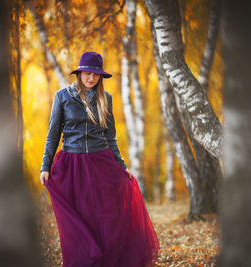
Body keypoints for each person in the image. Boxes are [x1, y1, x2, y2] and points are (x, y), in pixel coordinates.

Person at [39, 51, 160, 267]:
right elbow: (53, 134)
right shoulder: (62, 96)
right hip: (72, 165)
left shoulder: (106, 99)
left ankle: (108, 261)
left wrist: (121, 166)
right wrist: (45, 166)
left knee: (106, 217)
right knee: (79, 220)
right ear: (80, 73)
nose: (91, 78)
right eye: (87, 73)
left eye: (96, 75)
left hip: (100, 163)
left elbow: (110, 137)